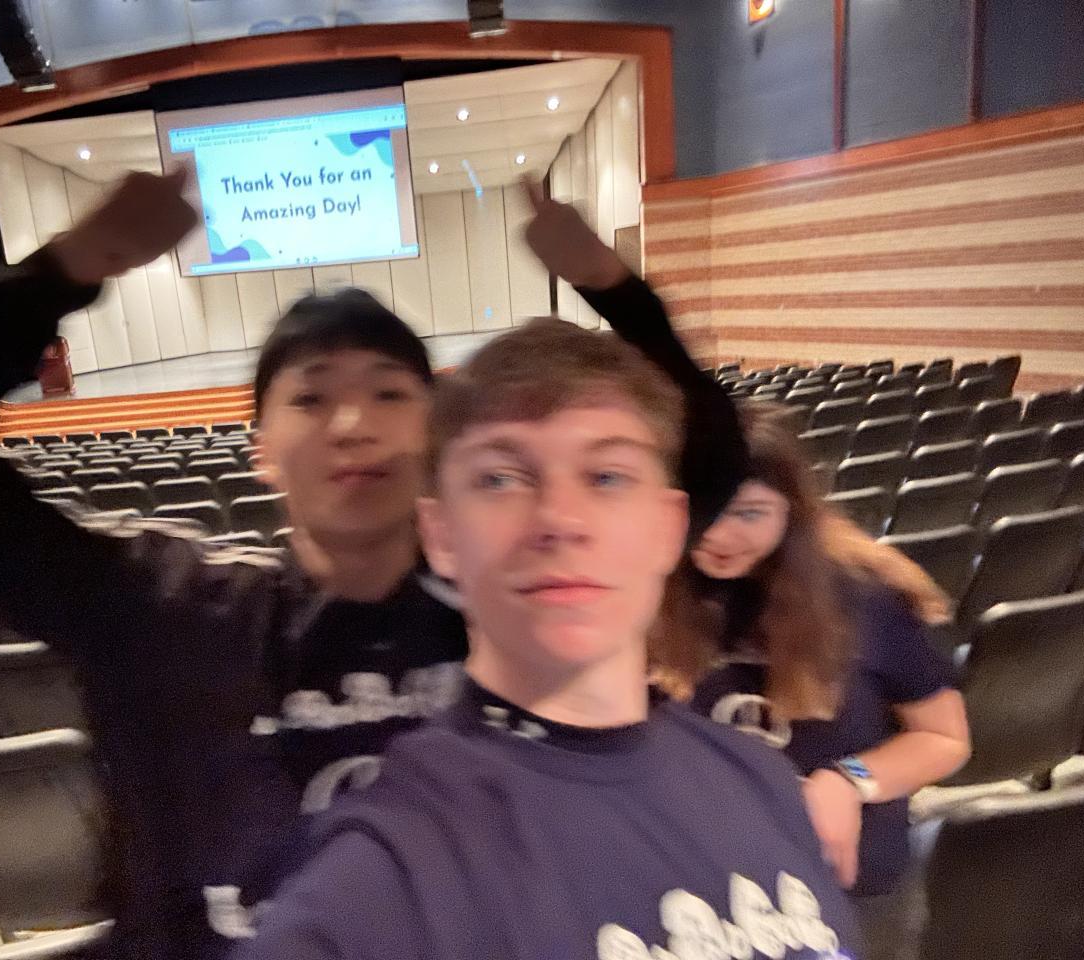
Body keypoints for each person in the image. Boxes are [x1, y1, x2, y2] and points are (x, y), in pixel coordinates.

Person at [0, 169, 470, 960]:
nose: (352, 423)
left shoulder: (514, 613)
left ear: (437, 430)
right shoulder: (164, 609)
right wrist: (61, 272)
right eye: (311, 399)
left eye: (389, 394)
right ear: (261, 450)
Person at [233, 315, 859, 960]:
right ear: (441, 536)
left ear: (669, 528)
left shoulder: (764, 780)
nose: (560, 520)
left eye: (607, 476)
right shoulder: (384, 880)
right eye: (501, 479)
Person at [650, 405, 971, 959]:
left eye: (750, 512)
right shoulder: (643, 592)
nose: (720, 534)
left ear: (791, 512)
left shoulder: (865, 599)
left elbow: (945, 737)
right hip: (701, 889)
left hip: (846, 886)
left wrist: (848, 781)